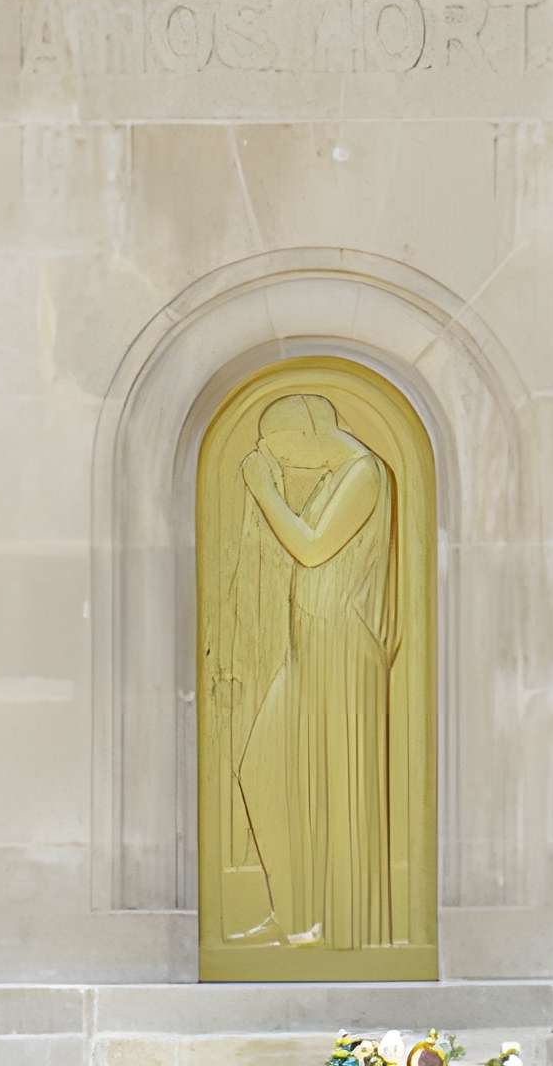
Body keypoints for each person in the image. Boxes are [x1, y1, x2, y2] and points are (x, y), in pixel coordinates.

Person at [232, 393, 397, 949]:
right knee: (263, 769)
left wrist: (264, 490)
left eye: (277, 447)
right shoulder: (338, 475)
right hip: (311, 643)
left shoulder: (364, 473)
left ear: (307, 432)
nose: (273, 458)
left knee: (337, 784)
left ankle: (340, 926)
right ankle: (296, 910)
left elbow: (312, 549)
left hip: (342, 647)